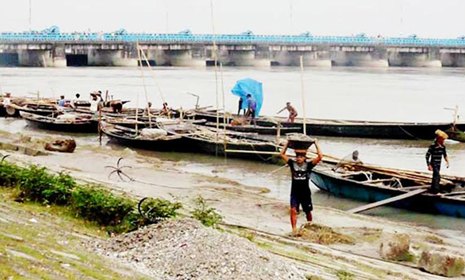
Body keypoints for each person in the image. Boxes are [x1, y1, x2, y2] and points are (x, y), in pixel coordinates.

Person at [280, 139, 323, 235]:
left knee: (308, 212)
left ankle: (310, 224)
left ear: (304, 158)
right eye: (297, 156)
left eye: (301, 157)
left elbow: (320, 156)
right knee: (293, 210)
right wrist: (287, 144)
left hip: (305, 193)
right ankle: (294, 229)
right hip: (295, 192)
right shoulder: (292, 164)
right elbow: (282, 154)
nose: (298, 158)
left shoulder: (308, 165)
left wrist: (316, 143)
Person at [426, 130, 450, 194]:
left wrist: (447, 162)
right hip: (433, 163)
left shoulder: (442, 147)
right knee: (437, 176)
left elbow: (445, 155)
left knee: (436, 177)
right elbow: (427, 155)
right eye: (442, 139)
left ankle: (433, 189)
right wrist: (428, 165)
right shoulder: (433, 146)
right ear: (439, 138)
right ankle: (436, 191)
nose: (443, 140)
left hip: (439, 164)